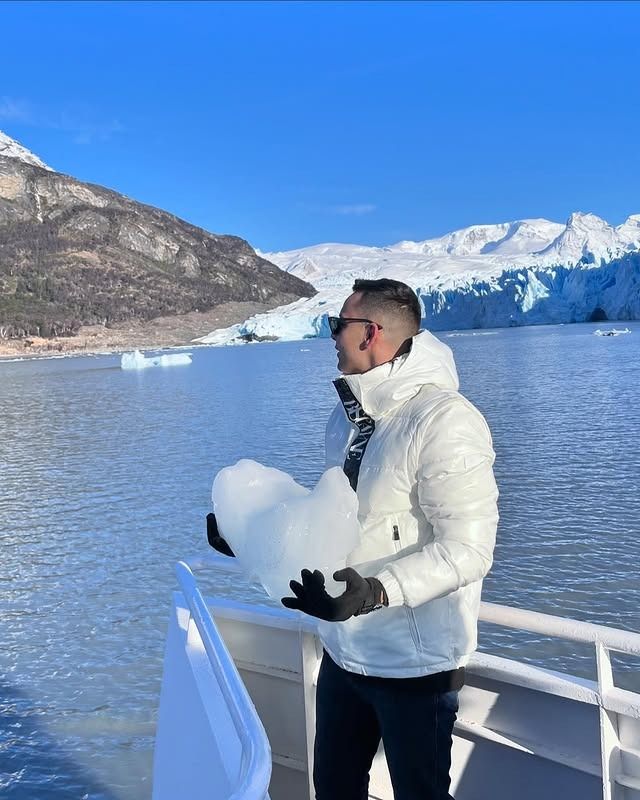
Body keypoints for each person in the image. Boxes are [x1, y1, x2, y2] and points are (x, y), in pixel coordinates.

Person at [209, 278, 499, 800]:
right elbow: (337, 519)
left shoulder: (444, 421)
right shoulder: (346, 419)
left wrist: (377, 591)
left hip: (414, 665)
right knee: (334, 788)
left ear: (370, 332)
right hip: (344, 652)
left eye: (335, 325)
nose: (331, 336)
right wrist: (250, 537)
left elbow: (469, 548)